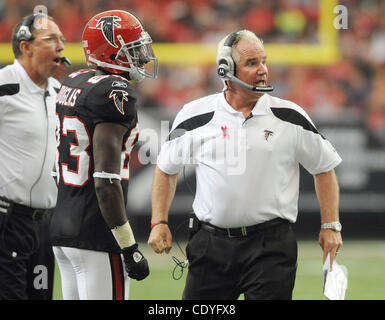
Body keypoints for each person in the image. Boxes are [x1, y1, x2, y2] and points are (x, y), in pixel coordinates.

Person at [148, 30, 343, 300]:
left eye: (264, 61)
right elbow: (166, 168)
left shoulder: (289, 115)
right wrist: (159, 221)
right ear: (226, 69)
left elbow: (324, 167)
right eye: (252, 63)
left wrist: (330, 225)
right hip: (210, 246)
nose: (263, 69)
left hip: (270, 246)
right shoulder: (196, 114)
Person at [50, 10, 158, 300]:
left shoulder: (75, 81)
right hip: (97, 230)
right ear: (111, 54)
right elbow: (105, 180)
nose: (143, 58)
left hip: (63, 225)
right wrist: (129, 246)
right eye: (134, 50)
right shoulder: (114, 91)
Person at [0, 13, 65, 299]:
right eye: (50, 39)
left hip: (43, 225)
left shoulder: (59, 93)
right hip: (7, 220)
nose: (61, 46)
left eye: (61, 39)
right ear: (26, 47)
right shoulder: (4, 87)